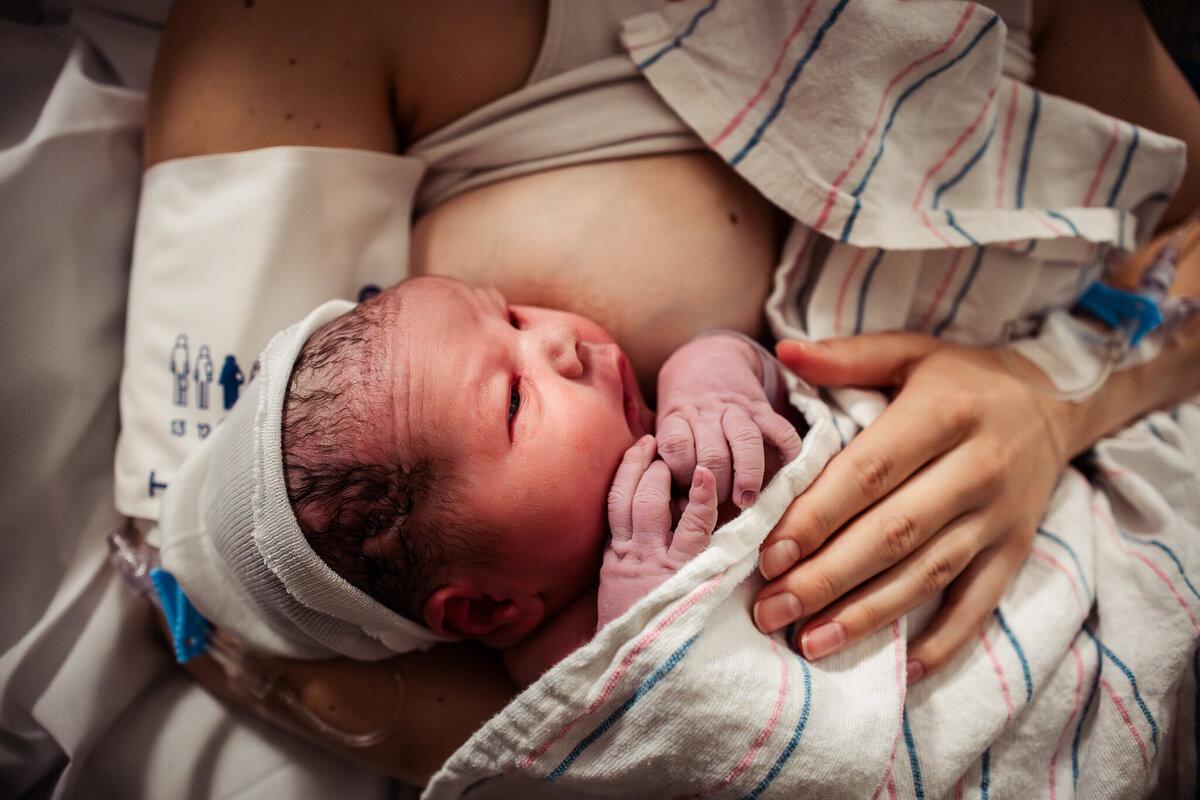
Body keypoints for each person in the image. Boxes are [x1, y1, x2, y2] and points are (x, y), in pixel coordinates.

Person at [139, 0, 1200, 785]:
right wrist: (651, 687)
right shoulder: (303, 26)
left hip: (1080, 522)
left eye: (512, 317)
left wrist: (1050, 400)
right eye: (509, 386)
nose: (557, 345)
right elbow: (217, 566)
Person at [160, 274, 804, 686]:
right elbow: (670, 737)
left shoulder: (672, 412)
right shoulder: (562, 670)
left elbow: (765, 371)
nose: (559, 338)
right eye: (515, 402)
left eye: (513, 320)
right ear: (484, 608)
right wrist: (641, 618)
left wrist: (709, 380)